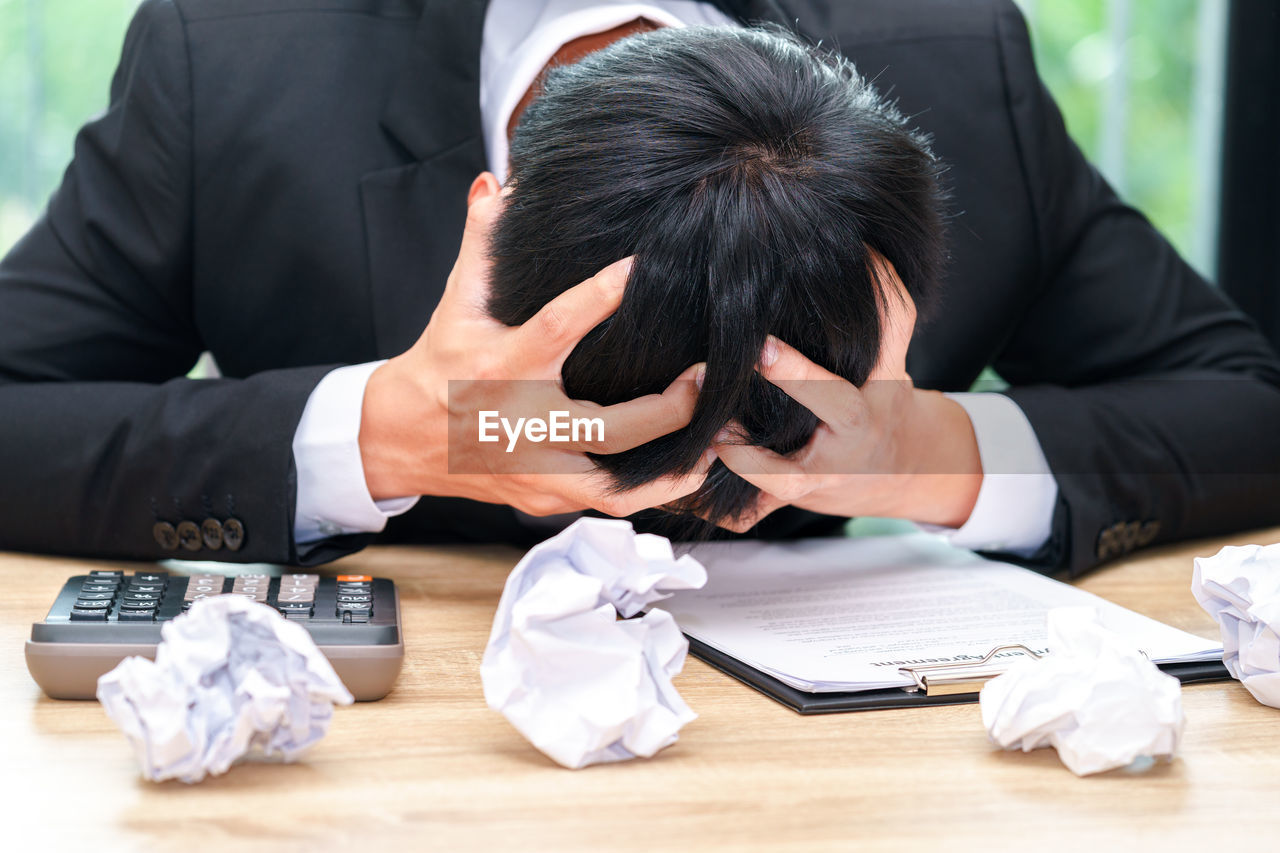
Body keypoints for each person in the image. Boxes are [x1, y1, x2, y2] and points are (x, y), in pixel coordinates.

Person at [0, 0, 1277, 577]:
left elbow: (1247, 407)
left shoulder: (953, 65)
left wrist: (930, 453)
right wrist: (402, 428)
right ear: (493, 232)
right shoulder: (230, 69)